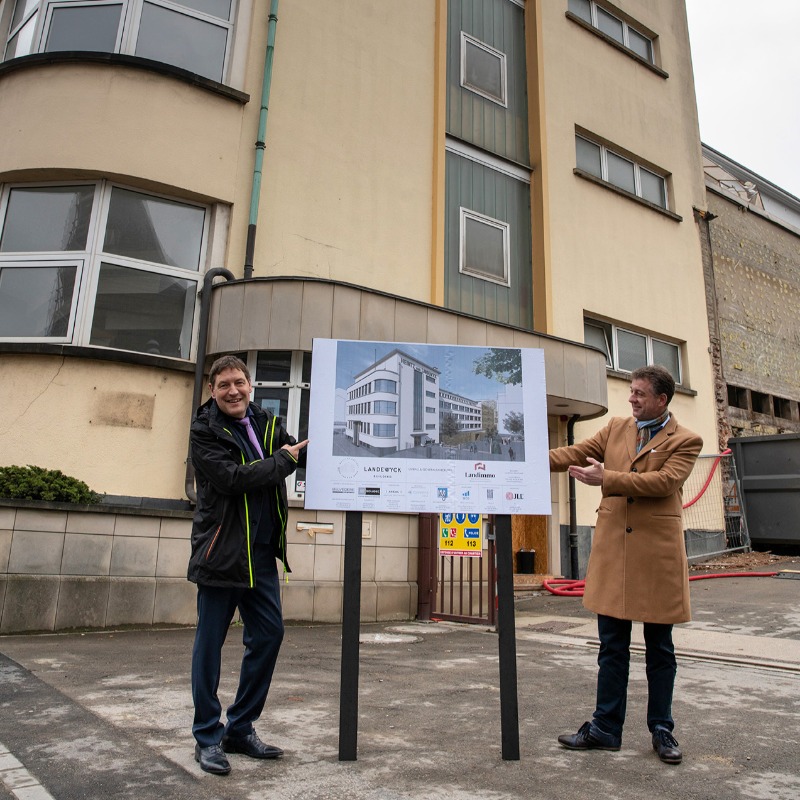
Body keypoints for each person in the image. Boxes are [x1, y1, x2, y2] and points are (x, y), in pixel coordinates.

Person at [549, 365, 701, 765]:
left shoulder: (687, 439)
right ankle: (605, 728)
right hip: (615, 553)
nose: (631, 398)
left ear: (661, 399)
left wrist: (608, 479)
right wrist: (520, 456)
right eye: (631, 392)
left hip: (656, 559)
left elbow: (665, 483)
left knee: (659, 649)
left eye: (638, 393)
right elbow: (573, 454)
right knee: (611, 647)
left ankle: (662, 729)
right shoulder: (615, 428)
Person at [187, 355, 308, 775]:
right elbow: (234, 479)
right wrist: (285, 461)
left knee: (270, 635)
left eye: (239, 382)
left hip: (260, 554)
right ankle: (207, 736)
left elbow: (297, 453)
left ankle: (240, 728)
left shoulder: (264, 421)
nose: (233, 391)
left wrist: (337, 441)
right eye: (224, 385)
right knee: (209, 647)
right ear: (212, 391)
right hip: (221, 554)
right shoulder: (204, 432)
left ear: (250, 384)